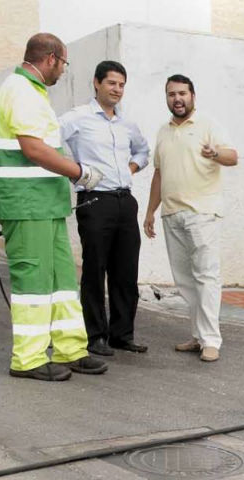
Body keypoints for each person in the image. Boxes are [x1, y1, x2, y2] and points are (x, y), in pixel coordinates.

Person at [0, 33, 107, 381]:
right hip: (26, 203)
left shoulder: (32, 92)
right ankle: (28, 359)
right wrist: (80, 172)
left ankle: (71, 349)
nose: (63, 72)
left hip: (45, 204)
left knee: (62, 281)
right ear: (51, 58)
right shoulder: (21, 90)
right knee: (34, 284)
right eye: (64, 64)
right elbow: (34, 150)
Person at [143, 74, 237, 363]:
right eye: (172, 94)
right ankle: (198, 336)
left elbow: (232, 157)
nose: (177, 99)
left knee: (206, 277)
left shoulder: (208, 124)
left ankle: (211, 341)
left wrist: (215, 152)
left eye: (182, 93)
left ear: (192, 95)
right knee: (185, 282)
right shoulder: (163, 131)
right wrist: (150, 211)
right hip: (172, 215)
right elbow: (159, 173)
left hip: (202, 214)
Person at [60, 60, 150, 357]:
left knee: (126, 271)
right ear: (96, 83)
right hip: (95, 201)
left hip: (125, 202)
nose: (117, 90)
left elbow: (143, 150)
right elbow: (51, 140)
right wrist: (75, 170)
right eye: (112, 83)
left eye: (122, 85)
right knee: (95, 270)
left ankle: (121, 334)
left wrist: (131, 168)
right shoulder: (78, 118)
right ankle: (95, 335)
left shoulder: (127, 124)